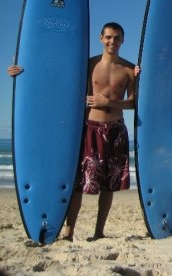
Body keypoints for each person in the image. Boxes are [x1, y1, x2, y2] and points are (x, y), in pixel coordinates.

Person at [9, 22, 136, 240]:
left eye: (116, 38)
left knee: (109, 185)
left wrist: (109, 101)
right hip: (91, 128)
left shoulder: (129, 69)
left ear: (123, 40)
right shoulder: (88, 65)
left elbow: (133, 103)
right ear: (100, 38)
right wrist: (21, 71)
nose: (112, 41)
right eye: (108, 37)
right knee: (79, 183)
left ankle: (99, 232)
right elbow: (55, 76)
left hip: (116, 130)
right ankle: (69, 231)